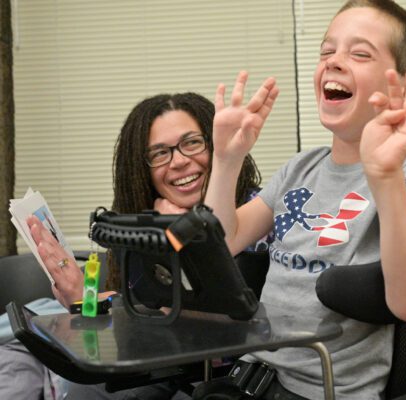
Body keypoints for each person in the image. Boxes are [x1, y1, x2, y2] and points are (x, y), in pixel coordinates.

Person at [203, 1, 406, 399]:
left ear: (402, 87)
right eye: (327, 51)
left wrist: (384, 177)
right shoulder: (299, 169)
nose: (333, 61)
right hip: (250, 376)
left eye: (359, 53)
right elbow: (222, 242)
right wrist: (227, 161)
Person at [0, 91, 266, 400]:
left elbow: (221, 322)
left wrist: (183, 244)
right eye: (159, 154)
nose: (180, 161)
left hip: (223, 374)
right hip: (157, 361)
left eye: (192, 143)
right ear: (142, 170)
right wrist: (82, 293)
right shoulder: (144, 222)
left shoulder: (257, 213)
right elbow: (137, 304)